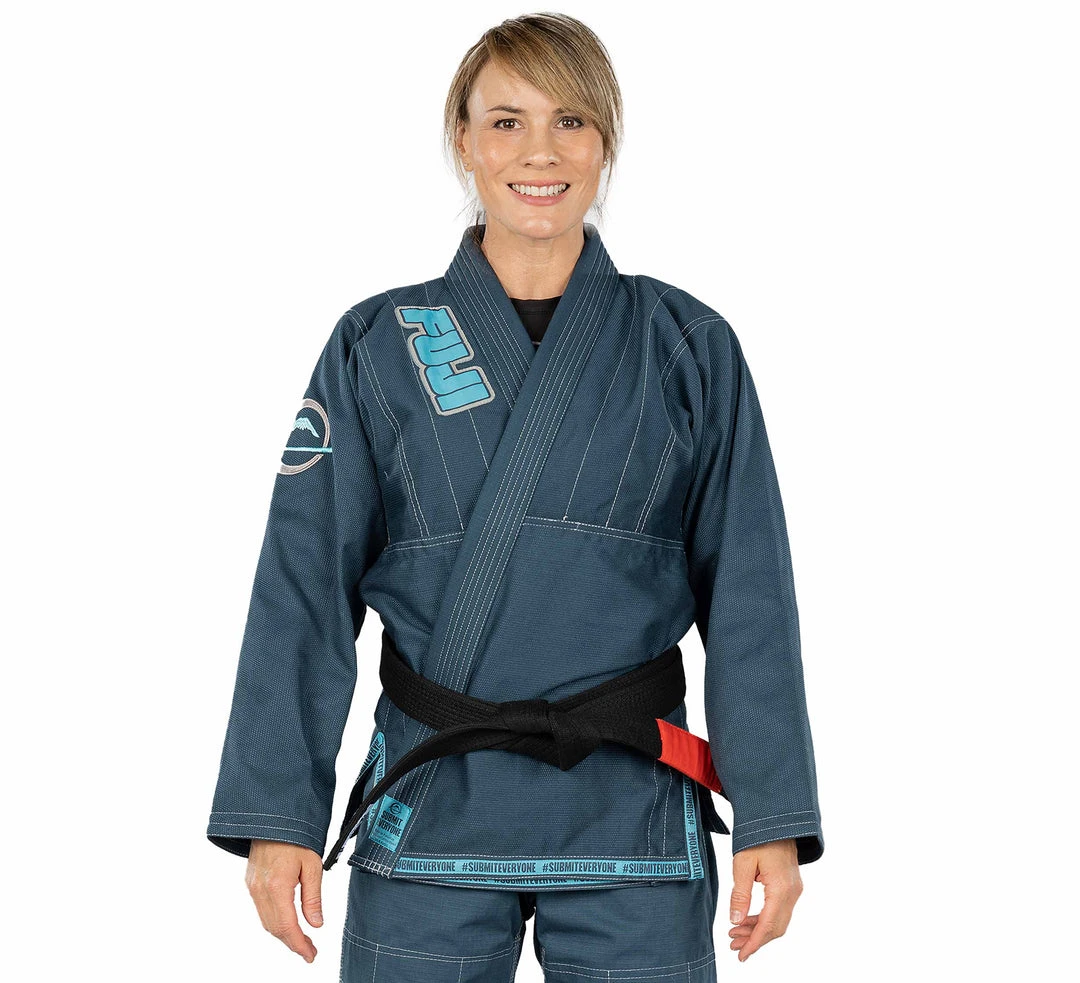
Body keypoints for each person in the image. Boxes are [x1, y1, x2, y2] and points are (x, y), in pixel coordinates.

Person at [206, 12, 824, 981]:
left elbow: (750, 594)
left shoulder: (686, 345)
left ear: (606, 142)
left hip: (631, 813)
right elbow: (303, 584)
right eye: (506, 122)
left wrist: (772, 814)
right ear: (463, 140)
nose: (541, 151)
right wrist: (278, 812)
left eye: (571, 120)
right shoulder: (378, 343)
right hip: (432, 806)